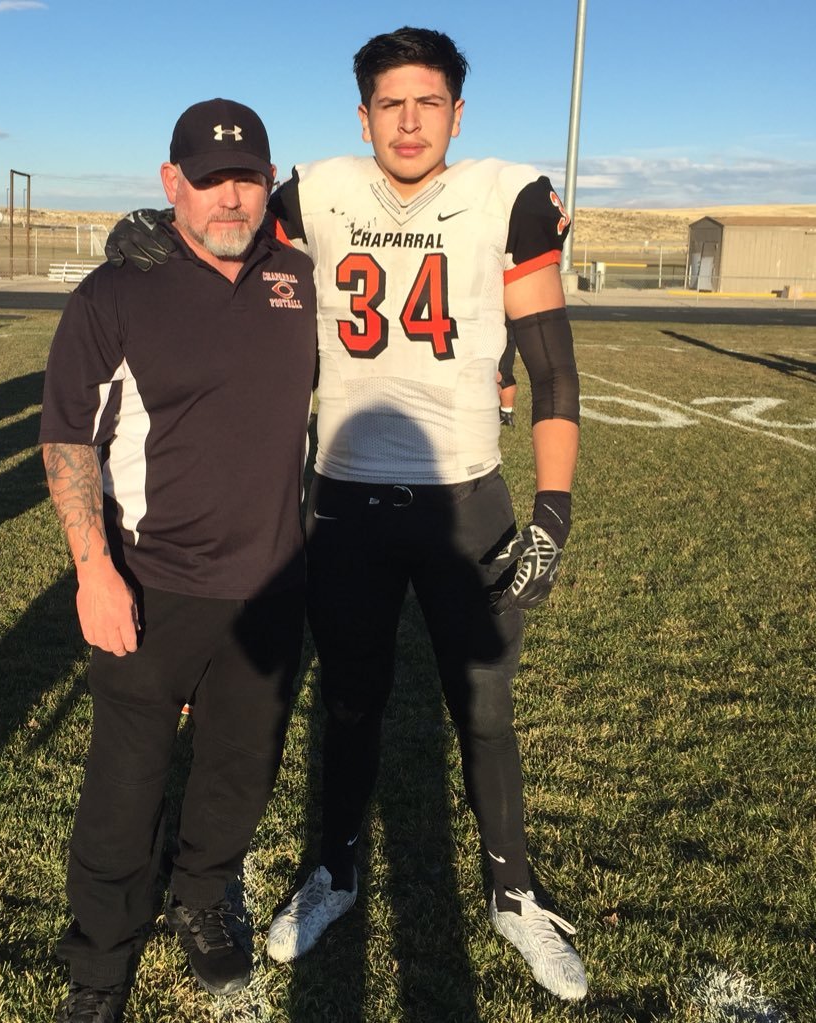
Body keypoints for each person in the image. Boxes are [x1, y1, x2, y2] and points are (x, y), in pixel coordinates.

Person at [105, 26, 585, 1002]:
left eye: (429, 103)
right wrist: (157, 237)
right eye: (390, 105)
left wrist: (554, 512)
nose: (410, 124)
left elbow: (553, 370)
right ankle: (334, 870)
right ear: (362, 114)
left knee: (484, 709)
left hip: (467, 495)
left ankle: (512, 893)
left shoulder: (510, 197)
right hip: (351, 499)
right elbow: (228, 245)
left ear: (459, 110)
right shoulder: (317, 191)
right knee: (352, 697)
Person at [39, 98, 317, 1022]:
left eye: (247, 179)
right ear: (172, 186)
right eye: (208, 182)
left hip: (273, 584)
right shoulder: (114, 293)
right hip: (148, 585)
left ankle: (203, 894)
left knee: (238, 769)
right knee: (124, 789)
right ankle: (100, 966)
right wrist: (93, 571)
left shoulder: (303, 277)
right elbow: (68, 443)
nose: (230, 199)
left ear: (269, 181)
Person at [498, 322, 518, 427]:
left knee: (493, 373)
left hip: (494, 326)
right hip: (509, 326)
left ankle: (493, 413)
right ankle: (507, 413)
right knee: (506, 372)